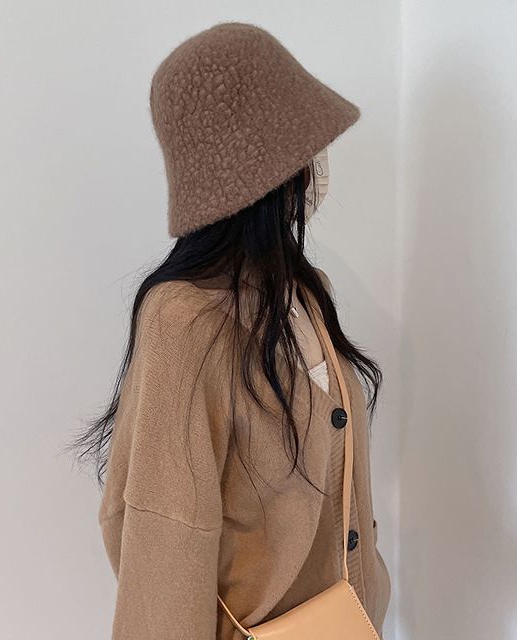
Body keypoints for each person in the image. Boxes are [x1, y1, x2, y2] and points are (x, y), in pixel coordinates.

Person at [72, 21, 391, 639]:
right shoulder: (183, 323)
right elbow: (164, 545)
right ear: (264, 174)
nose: (318, 166)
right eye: (304, 149)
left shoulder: (307, 294)